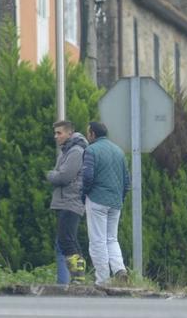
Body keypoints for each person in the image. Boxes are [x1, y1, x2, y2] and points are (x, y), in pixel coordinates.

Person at [82, 121, 130, 285]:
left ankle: (102, 280)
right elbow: (126, 181)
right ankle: (119, 269)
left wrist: (85, 194)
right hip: (115, 202)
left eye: (88, 133)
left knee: (97, 241)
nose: (88, 136)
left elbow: (87, 177)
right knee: (111, 239)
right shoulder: (119, 152)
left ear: (93, 134)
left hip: (97, 200)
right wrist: (120, 199)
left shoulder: (90, 150)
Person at [47, 120, 89, 284]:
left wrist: (51, 175)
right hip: (66, 201)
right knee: (67, 239)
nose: (56, 136)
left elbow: (64, 176)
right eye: (55, 133)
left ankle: (78, 277)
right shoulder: (66, 151)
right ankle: (77, 277)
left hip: (71, 201)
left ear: (70, 133)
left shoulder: (75, 152)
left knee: (67, 240)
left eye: (59, 133)